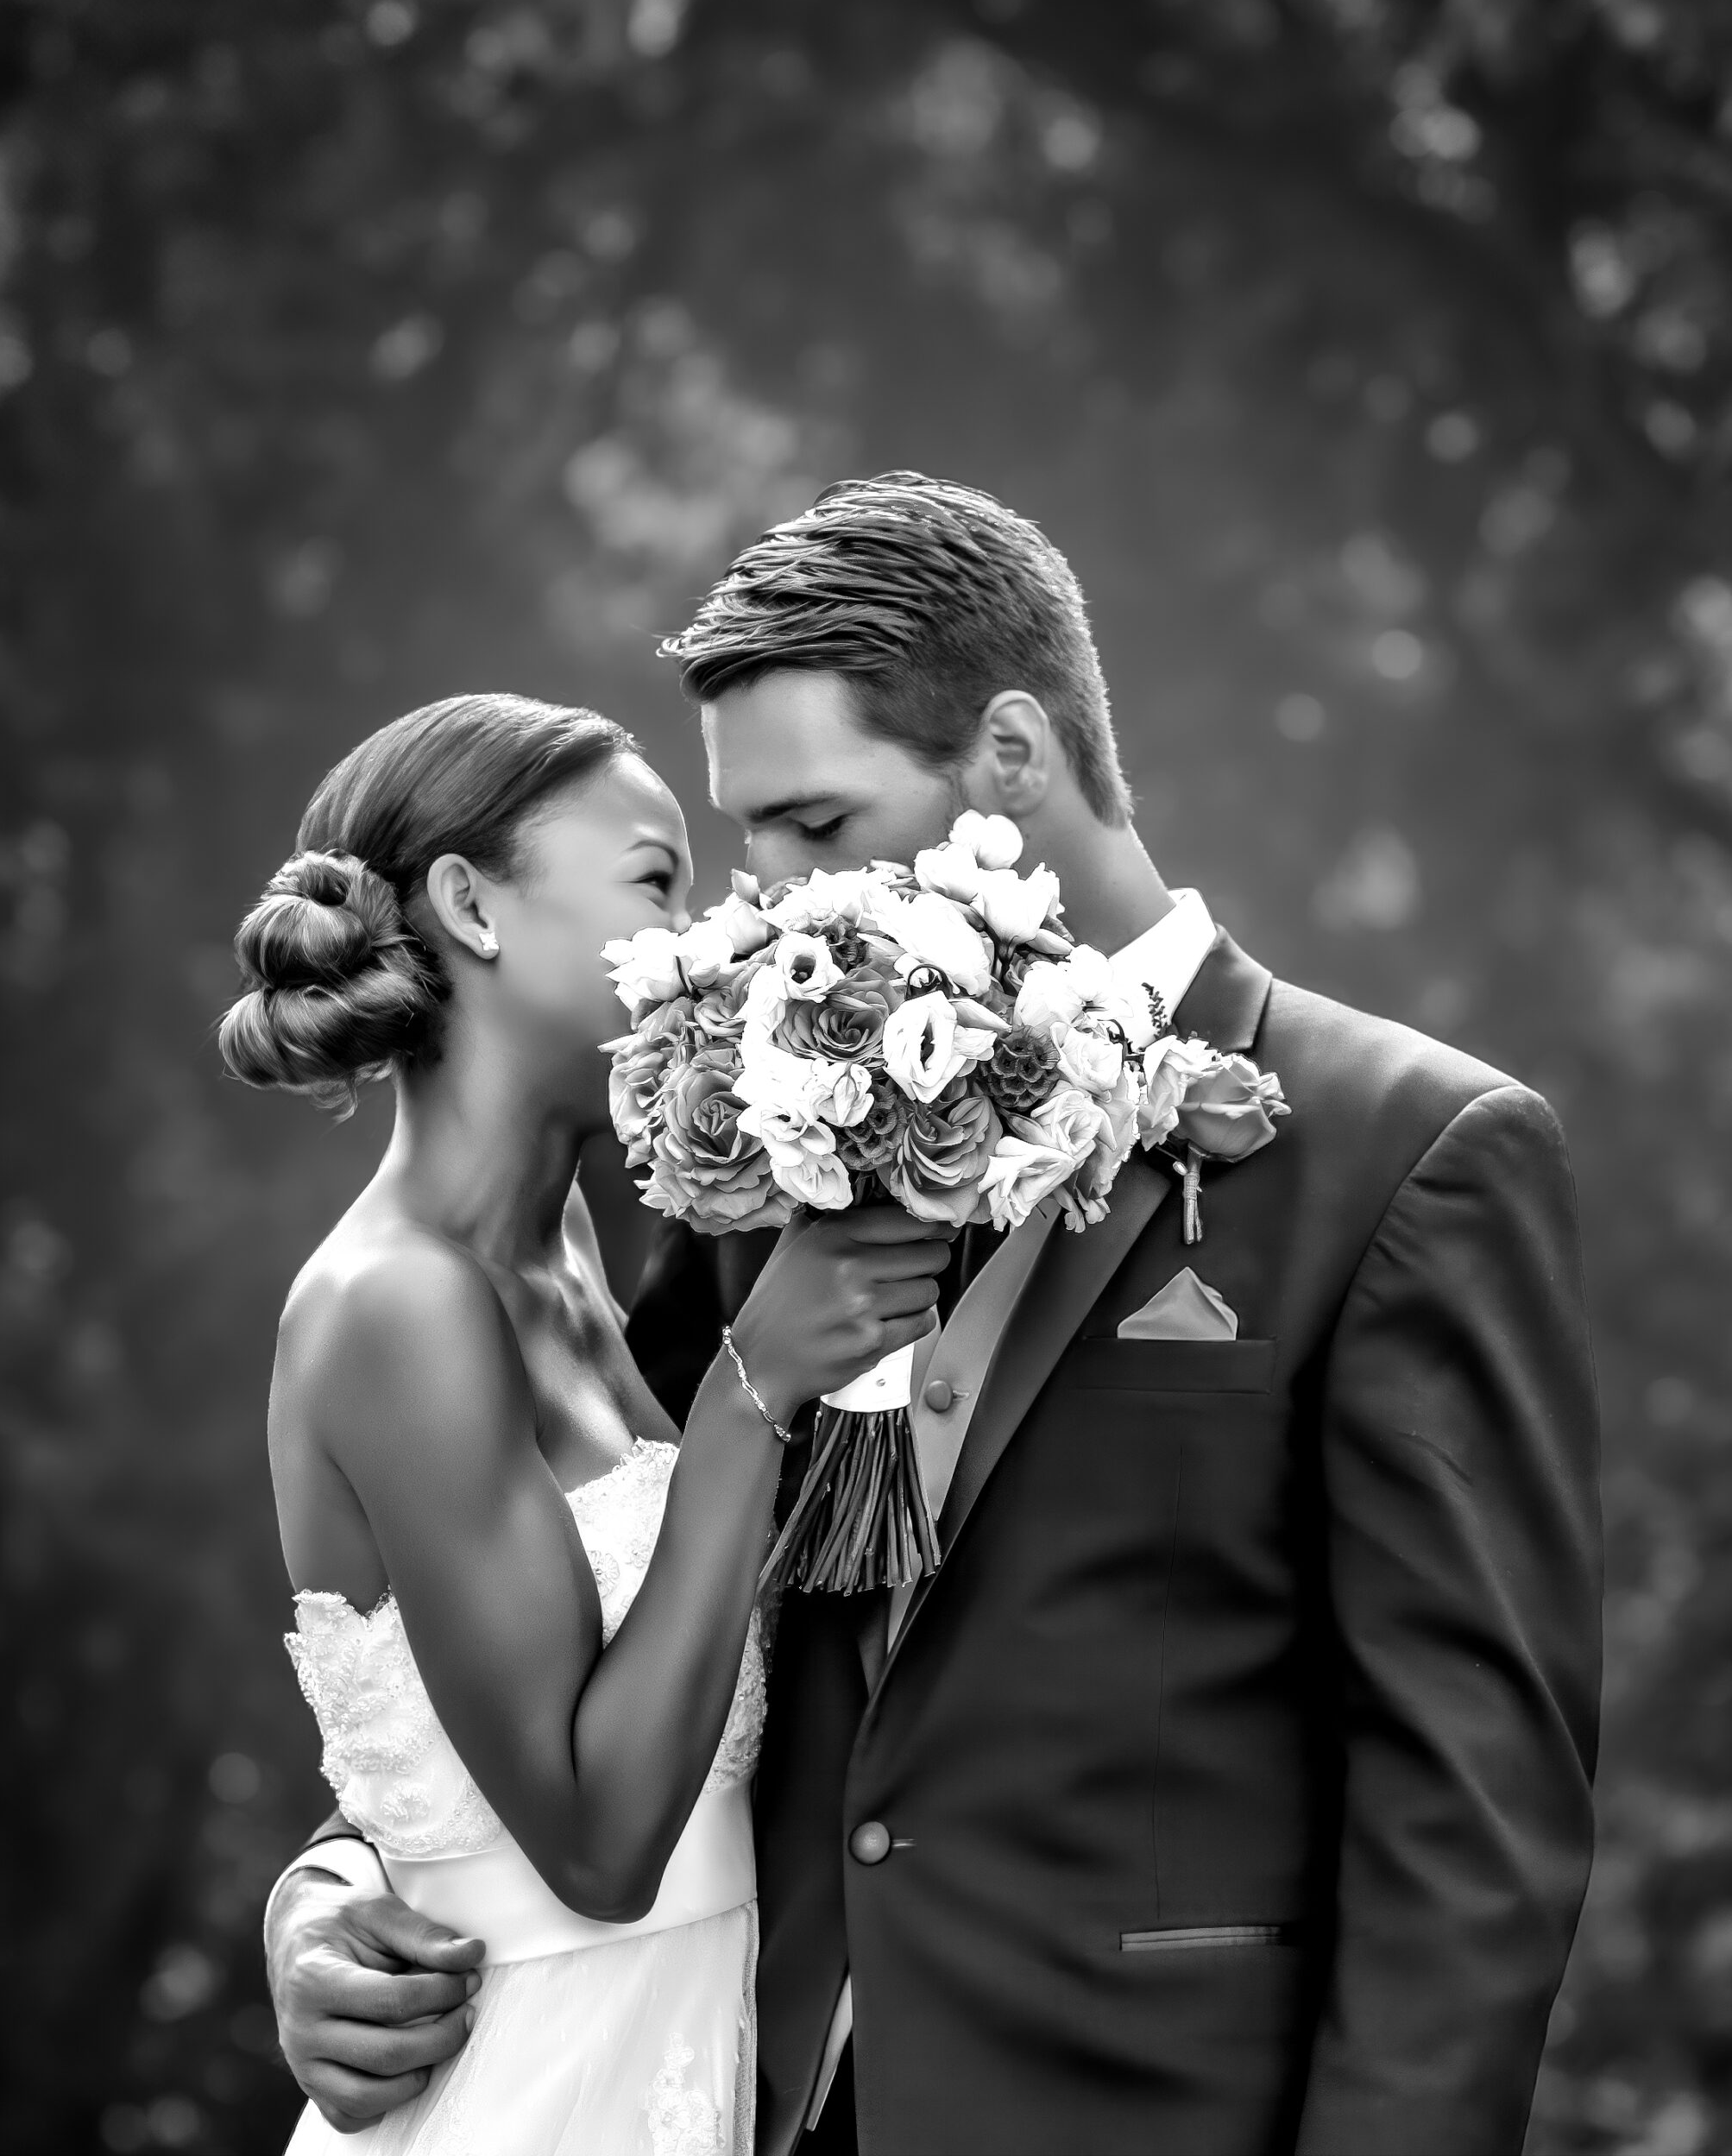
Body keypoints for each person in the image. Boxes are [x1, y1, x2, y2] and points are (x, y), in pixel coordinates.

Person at [266, 476, 1602, 2156]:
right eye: (736, 843)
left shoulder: (1408, 1154)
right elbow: (561, 1609)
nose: (759, 907)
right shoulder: (756, 1142)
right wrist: (336, 1888)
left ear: (1014, 760)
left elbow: (1471, 1826)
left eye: (812, 830)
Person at [224, 692, 949, 2154]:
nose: (726, 922)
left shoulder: (586, 1238)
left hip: (705, 2055)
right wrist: (753, 1391)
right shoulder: (395, 1307)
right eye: (658, 878)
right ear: (473, 909)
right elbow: (596, 1841)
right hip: (535, 2089)